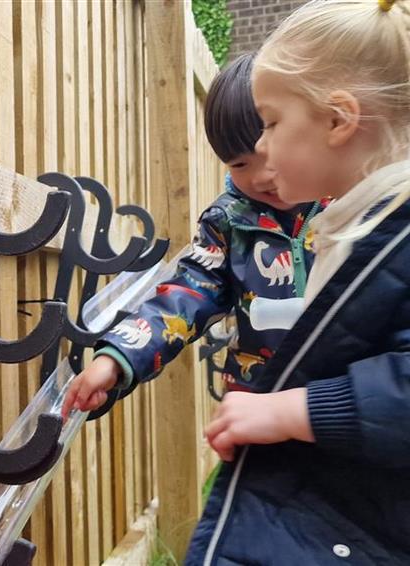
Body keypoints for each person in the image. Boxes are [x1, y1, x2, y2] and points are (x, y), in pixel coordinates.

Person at [190, 1, 410, 563]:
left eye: (270, 123)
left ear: (339, 120)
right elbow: (193, 283)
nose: (262, 148)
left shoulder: (388, 231)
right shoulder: (362, 221)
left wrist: (292, 410)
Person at [61, 53, 322, 415]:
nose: (262, 175)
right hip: (259, 406)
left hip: (337, 404)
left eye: (271, 150)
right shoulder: (227, 221)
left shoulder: (350, 206)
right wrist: (118, 357)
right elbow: (187, 294)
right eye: (240, 164)